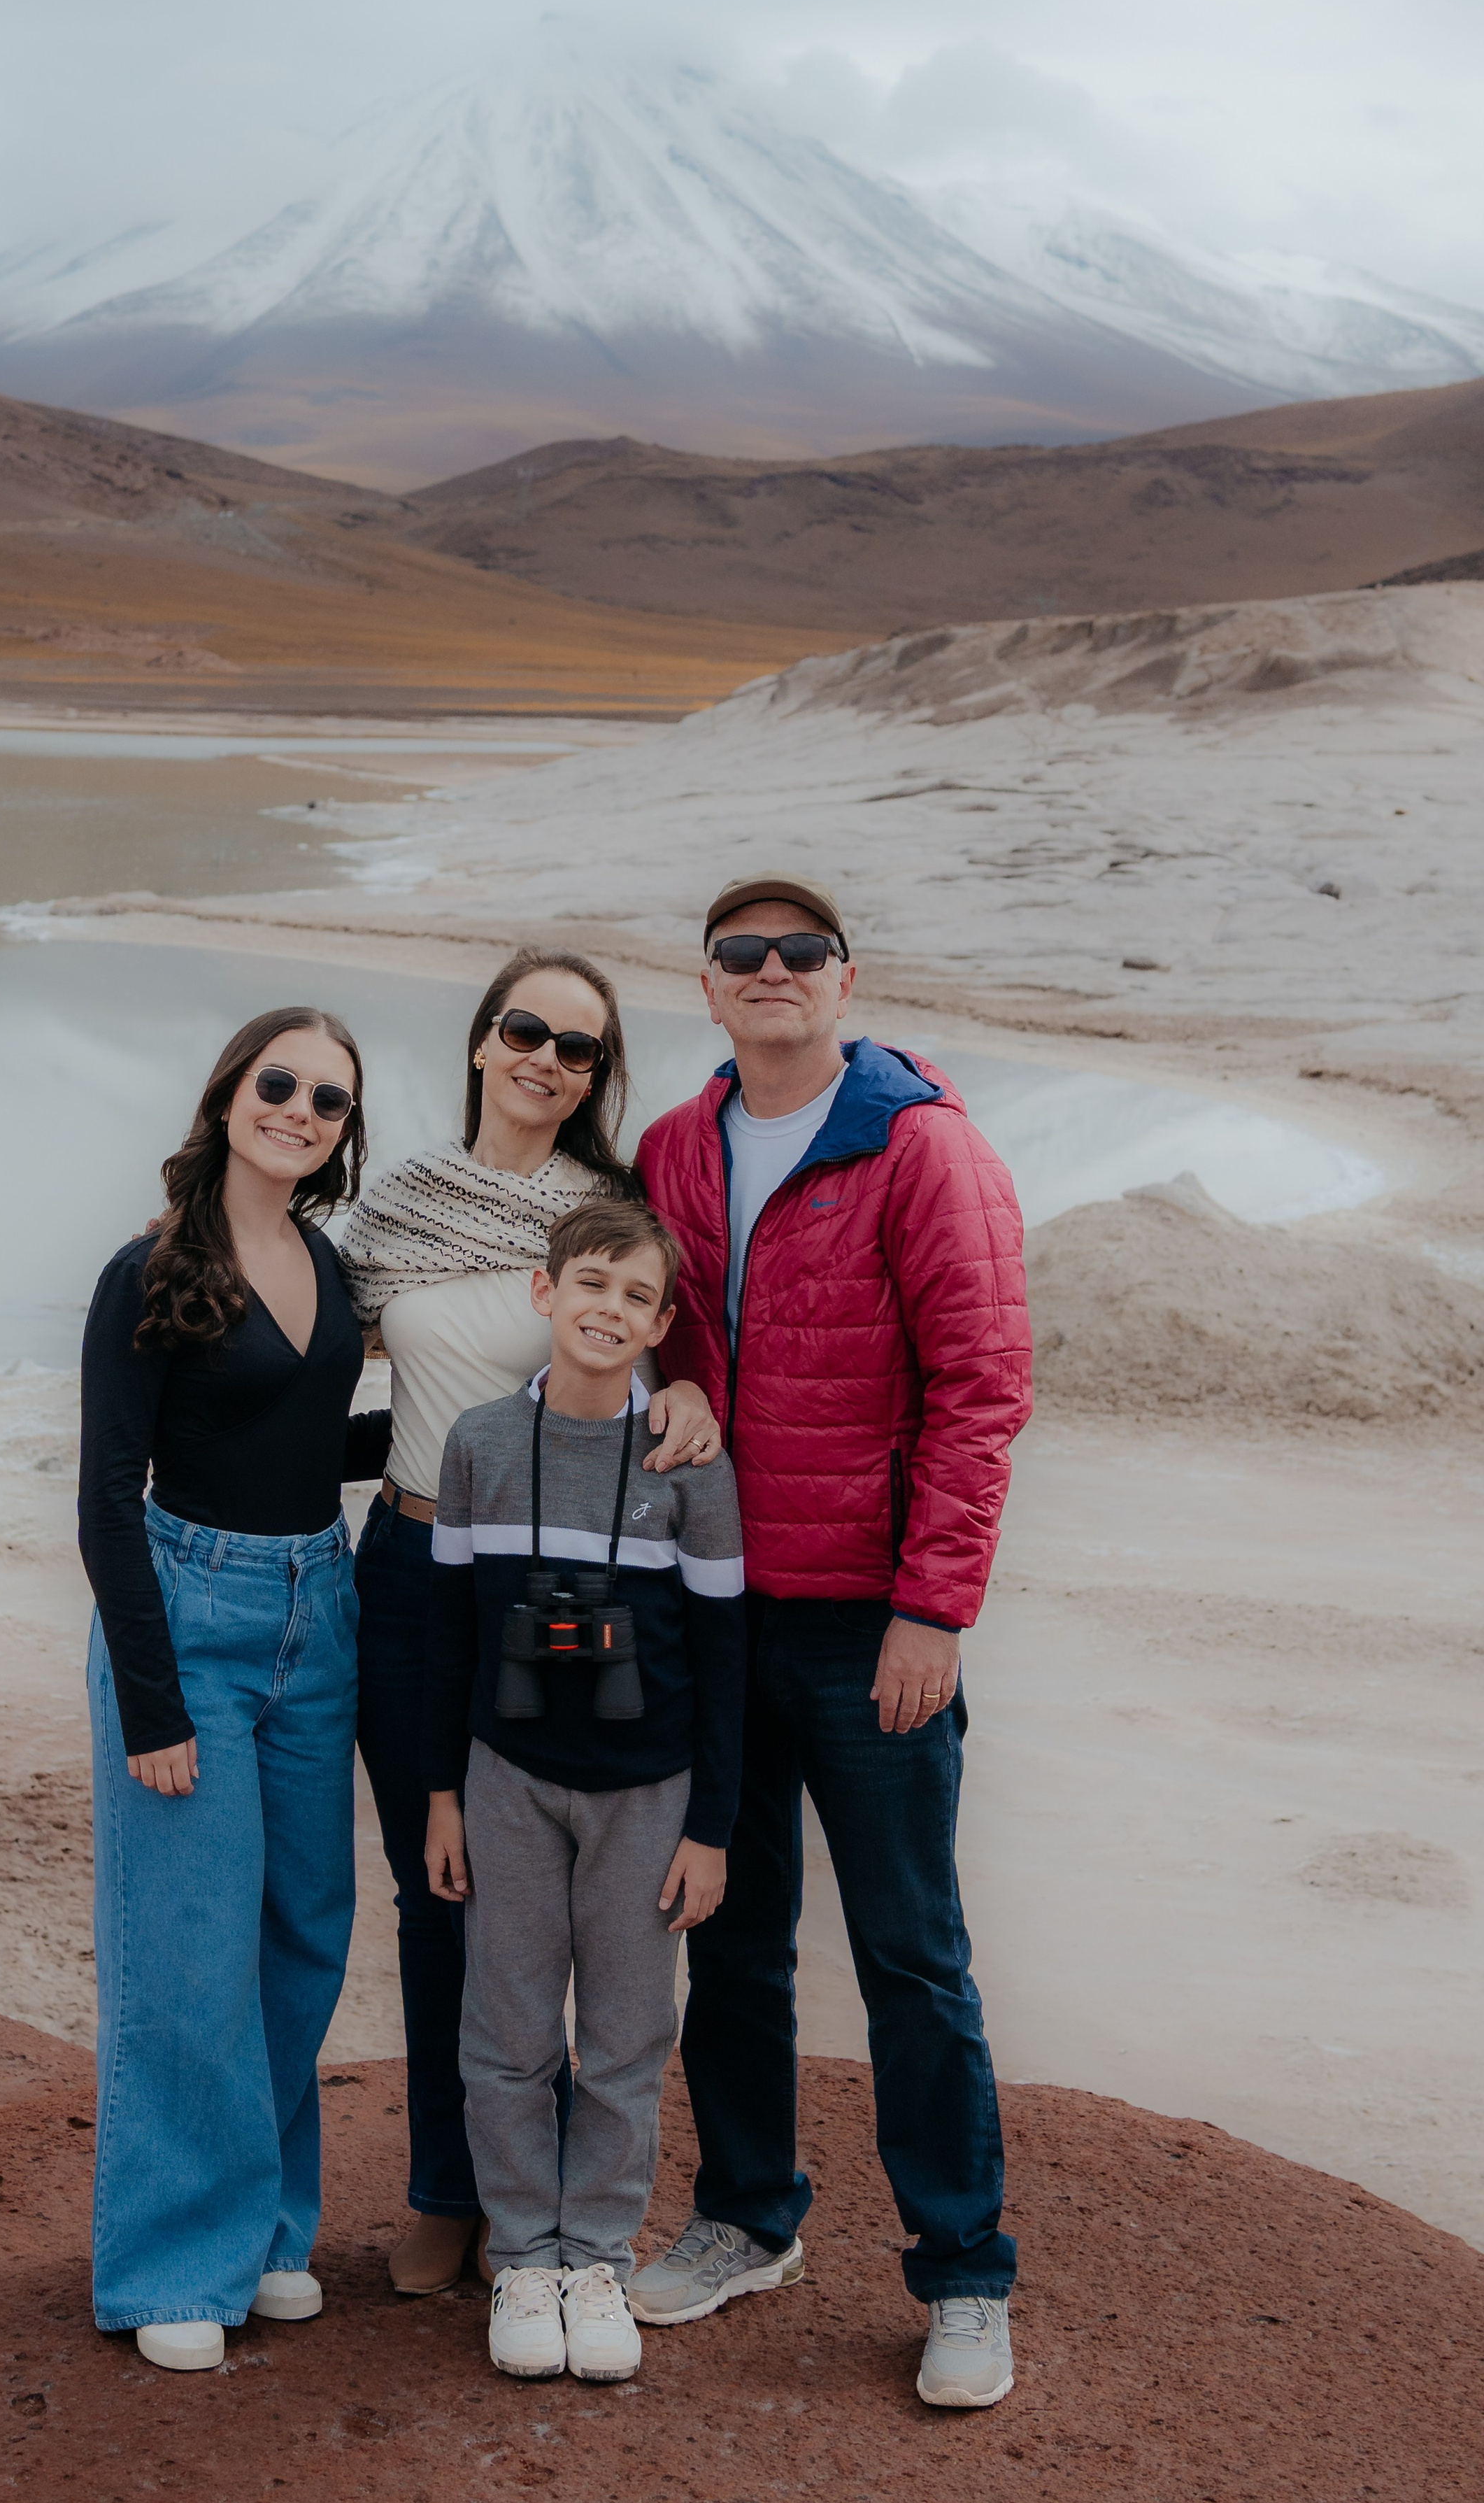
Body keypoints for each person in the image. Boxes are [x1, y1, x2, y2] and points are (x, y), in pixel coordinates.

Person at [629, 873, 1033, 2411]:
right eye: (744, 954)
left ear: (845, 982)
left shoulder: (920, 1147)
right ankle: (745, 2212)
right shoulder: (676, 1144)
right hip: (719, 1615)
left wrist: (932, 1606)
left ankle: (961, 2271)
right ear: (712, 986)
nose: (773, 971)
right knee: (727, 1936)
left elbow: (979, 1388)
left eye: (801, 952)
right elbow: (649, 1340)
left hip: (870, 1627)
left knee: (908, 1954)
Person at [336, 950, 720, 2295]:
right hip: (411, 1565)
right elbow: (310, 1355)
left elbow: (659, 1358)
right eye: (526, 1030)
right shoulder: (392, 1212)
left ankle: (573, 2214)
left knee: (585, 1916)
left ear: (597, 1075)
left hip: (576, 1588)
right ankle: (457, 2188)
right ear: (485, 1041)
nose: (549, 1059)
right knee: (442, 1888)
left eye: (580, 1047)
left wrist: (693, 1402)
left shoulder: (607, 1219)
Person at [78, 1007, 392, 2374]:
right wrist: (151, 1703)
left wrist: (526, 1415)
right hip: (189, 1614)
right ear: (226, 1096)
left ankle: (264, 2230)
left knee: (300, 1929)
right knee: (186, 1952)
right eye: (278, 1083)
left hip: (320, 1607)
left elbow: (315, 1437)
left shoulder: (323, 1258)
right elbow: (103, 1495)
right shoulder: (147, 1269)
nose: (299, 1110)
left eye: (327, 1099)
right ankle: (168, 2267)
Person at [422, 1198, 746, 2385]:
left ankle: (595, 2254)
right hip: (505, 1781)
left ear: (663, 1322)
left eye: (638, 1295)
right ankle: (522, 2256)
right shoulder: (479, 1445)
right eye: (592, 1282)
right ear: (544, 1293)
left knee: (623, 2034)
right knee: (505, 2031)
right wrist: (443, 1792)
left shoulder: (688, 1463)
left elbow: (725, 1660)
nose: (610, 1308)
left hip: (647, 1794)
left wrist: (711, 1824)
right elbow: (450, 1639)